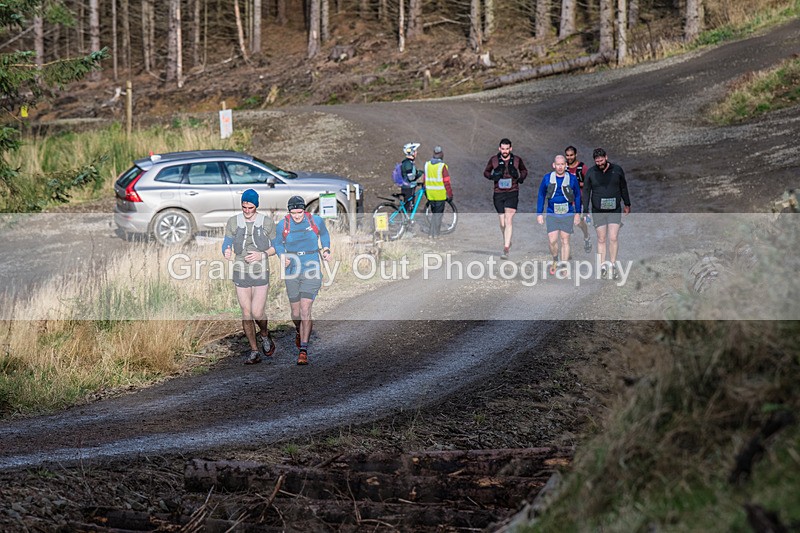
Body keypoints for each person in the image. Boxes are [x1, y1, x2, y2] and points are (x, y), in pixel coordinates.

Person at [273, 195, 332, 365]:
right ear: (289, 212)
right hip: (292, 269)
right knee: (296, 312)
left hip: (311, 266)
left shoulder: (316, 221)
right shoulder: (283, 225)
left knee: (306, 309)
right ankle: (299, 330)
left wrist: (326, 248)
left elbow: (325, 234)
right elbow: (277, 243)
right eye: (294, 213)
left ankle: (303, 350)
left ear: (304, 210)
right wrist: (282, 255)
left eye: (299, 212)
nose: (297, 216)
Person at [222, 189, 277, 365]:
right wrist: (226, 250)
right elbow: (226, 241)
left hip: (260, 270)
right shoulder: (233, 222)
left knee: (257, 312)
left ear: (256, 206)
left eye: (250, 207)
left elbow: (277, 247)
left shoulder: (266, 222)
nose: (247, 210)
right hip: (240, 270)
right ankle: (254, 351)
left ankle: (264, 334)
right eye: (244, 207)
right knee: (246, 313)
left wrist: (262, 255)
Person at [582, 148, 632, 279]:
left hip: (614, 209)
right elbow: (586, 191)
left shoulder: (617, 170)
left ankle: (613, 264)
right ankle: (602, 265)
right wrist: (585, 210)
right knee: (601, 238)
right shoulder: (591, 173)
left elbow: (623, 187)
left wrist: (627, 203)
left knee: (613, 237)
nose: (600, 163)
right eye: (597, 161)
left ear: (606, 157)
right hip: (598, 210)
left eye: (602, 160)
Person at [537, 155, 582, 275]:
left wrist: (578, 213)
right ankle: (555, 259)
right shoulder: (547, 178)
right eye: (558, 164)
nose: (560, 167)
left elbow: (577, 196)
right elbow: (541, 195)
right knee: (552, 241)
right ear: (554, 165)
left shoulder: (572, 179)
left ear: (566, 165)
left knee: (565, 240)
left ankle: (564, 265)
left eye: (563, 164)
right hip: (552, 213)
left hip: (567, 213)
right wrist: (539, 213)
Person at [483, 138, 528, 259]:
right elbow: (486, 172)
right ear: (499, 148)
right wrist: (492, 177)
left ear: (510, 149)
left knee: (509, 220)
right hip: (498, 193)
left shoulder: (517, 160)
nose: (505, 151)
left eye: (507, 149)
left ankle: (506, 248)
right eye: (502, 149)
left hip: (512, 192)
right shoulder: (493, 160)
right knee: (502, 223)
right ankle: (507, 240)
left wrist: (521, 178)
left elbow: (524, 170)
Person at [422, 145, 454, 239]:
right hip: (439, 194)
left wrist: (426, 192)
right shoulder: (442, 166)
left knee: (434, 214)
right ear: (441, 155)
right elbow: (446, 182)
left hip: (430, 194)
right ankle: (435, 234)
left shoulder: (427, 165)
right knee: (438, 215)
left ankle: (431, 233)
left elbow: (424, 179)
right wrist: (450, 194)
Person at [565, 145, 592, 253]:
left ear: (576, 155)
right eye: (567, 155)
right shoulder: (564, 166)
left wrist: (577, 184)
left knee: (578, 223)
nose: (569, 157)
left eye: (571, 155)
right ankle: (567, 249)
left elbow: (589, 183)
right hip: (566, 199)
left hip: (579, 199)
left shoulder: (582, 168)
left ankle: (586, 237)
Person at [399, 142, 424, 215]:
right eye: (415, 151)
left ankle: (406, 221)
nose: (416, 152)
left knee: (409, 205)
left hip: (408, 187)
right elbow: (411, 178)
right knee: (408, 206)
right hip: (408, 188)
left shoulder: (408, 162)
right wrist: (419, 174)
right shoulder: (408, 164)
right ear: (412, 152)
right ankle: (405, 223)